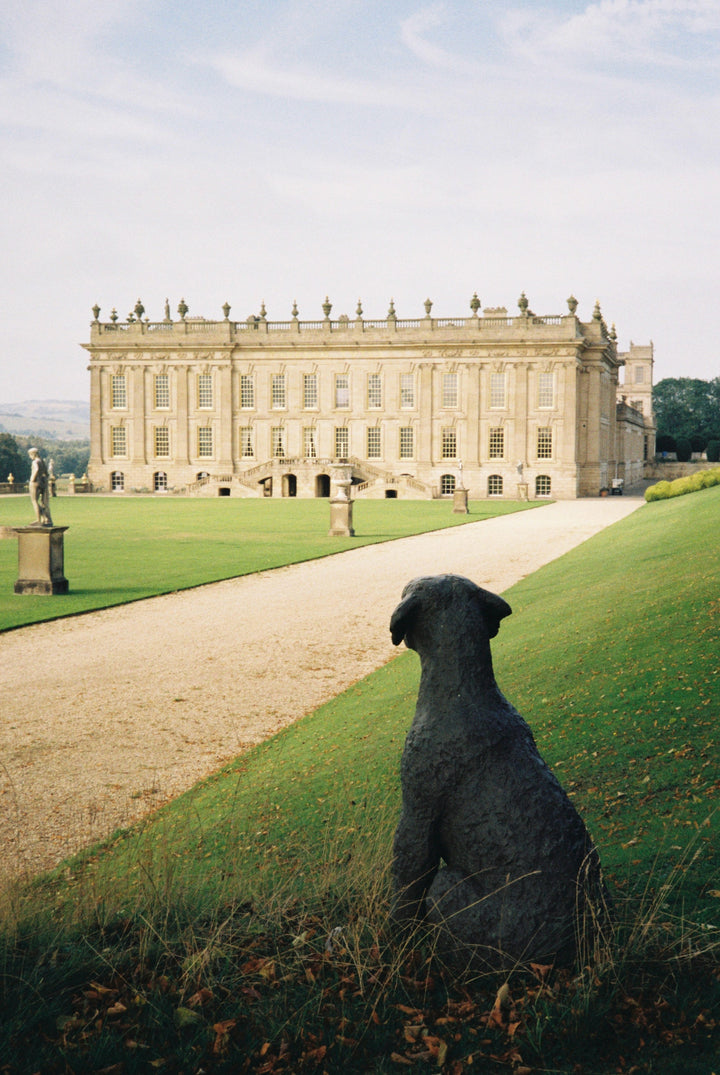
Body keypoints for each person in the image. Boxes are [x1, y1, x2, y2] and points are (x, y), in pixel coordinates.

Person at [28, 448, 53, 526]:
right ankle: (46, 518)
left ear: (33, 454)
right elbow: (46, 473)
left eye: (30, 455)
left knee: (34, 501)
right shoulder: (42, 461)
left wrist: (32, 479)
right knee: (44, 502)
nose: (30, 457)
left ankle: (38, 520)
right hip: (42, 482)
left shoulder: (35, 461)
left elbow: (36, 469)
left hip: (35, 482)